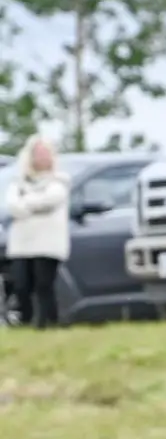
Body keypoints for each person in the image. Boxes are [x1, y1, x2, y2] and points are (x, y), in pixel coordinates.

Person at [4, 134, 71, 328]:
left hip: (48, 243)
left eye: (45, 153)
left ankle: (47, 323)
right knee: (21, 285)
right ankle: (26, 321)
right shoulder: (18, 182)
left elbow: (51, 200)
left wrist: (27, 202)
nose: (41, 157)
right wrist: (30, 203)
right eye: (37, 153)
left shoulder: (59, 181)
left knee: (44, 285)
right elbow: (12, 205)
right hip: (22, 243)